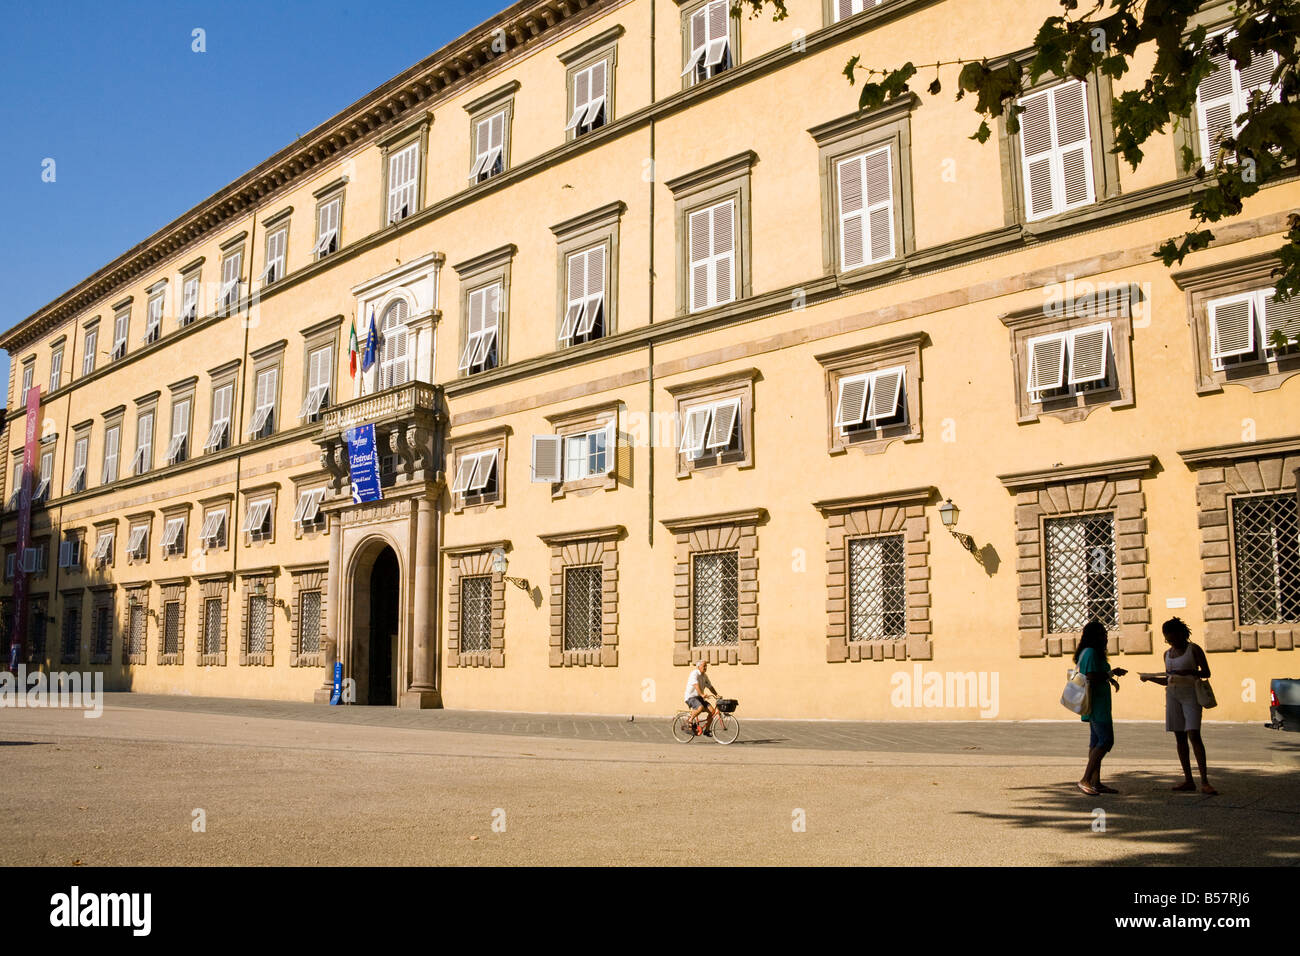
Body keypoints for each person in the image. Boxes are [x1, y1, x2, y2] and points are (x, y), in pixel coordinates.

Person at [1140, 617, 1217, 795]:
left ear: (1181, 634)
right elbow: (1168, 679)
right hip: (1173, 695)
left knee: (1194, 734)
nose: (1170, 641)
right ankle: (1188, 779)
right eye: (1167, 638)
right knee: (1179, 737)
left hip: (1191, 694)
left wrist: (1190, 671)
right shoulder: (1167, 654)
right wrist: (1150, 678)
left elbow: (1206, 672)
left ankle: (1205, 781)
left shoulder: (1193, 649)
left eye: (1172, 637)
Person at [1075, 620, 1127, 796]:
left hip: (1099, 703)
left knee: (1096, 741)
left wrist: (1110, 679)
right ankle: (1085, 779)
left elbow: (1097, 674)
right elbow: (1091, 676)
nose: (1105, 637)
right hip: (1097, 705)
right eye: (1102, 634)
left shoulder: (1089, 652)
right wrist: (1112, 673)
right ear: (1094, 636)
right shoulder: (1091, 652)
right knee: (1106, 741)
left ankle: (1095, 782)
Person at [683, 660, 718, 736]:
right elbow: (696, 685)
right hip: (691, 697)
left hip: (699, 698)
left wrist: (716, 695)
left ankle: (707, 730)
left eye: (706, 666)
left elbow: (710, 686)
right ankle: (689, 720)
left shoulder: (705, 676)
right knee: (700, 707)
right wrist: (702, 694)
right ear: (698, 667)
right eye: (704, 666)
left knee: (712, 711)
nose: (705, 667)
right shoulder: (694, 673)